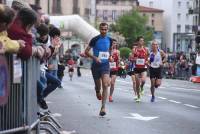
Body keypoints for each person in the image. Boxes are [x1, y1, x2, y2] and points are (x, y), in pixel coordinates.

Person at [85, 22, 112, 116]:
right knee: (98, 86)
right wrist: (95, 58)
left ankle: (103, 107)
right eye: (102, 29)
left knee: (105, 84)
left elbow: (110, 51)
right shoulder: (95, 39)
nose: (104, 31)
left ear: (107, 30)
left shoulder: (110, 40)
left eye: (105, 29)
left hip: (105, 65)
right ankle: (97, 90)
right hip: (96, 66)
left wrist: (110, 57)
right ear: (99, 29)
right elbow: (86, 52)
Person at [133, 36, 149, 102]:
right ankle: (139, 97)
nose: (142, 42)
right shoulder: (134, 49)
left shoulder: (146, 49)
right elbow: (132, 58)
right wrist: (134, 59)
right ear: (137, 42)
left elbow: (148, 58)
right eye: (140, 40)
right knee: (137, 83)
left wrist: (147, 61)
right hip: (136, 67)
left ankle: (142, 87)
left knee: (143, 80)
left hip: (143, 67)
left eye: (143, 40)